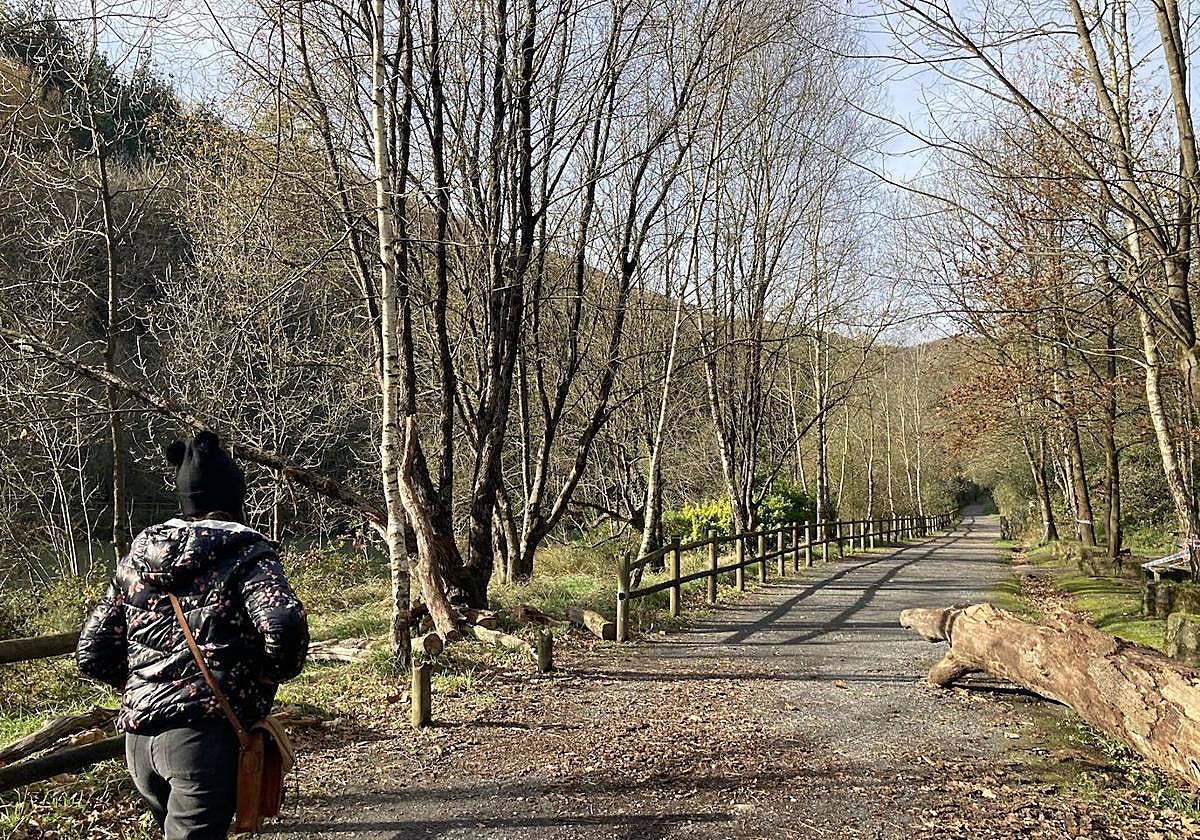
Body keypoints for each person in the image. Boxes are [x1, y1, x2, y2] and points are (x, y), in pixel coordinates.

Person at [77, 430, 309, 840]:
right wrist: (262, 679)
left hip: (138, 741)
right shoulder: (245, 554)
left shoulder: (138, 559)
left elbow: (91, 651)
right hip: (203, 739)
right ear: (235, 500)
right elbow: (284, 625)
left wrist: (145, 684)